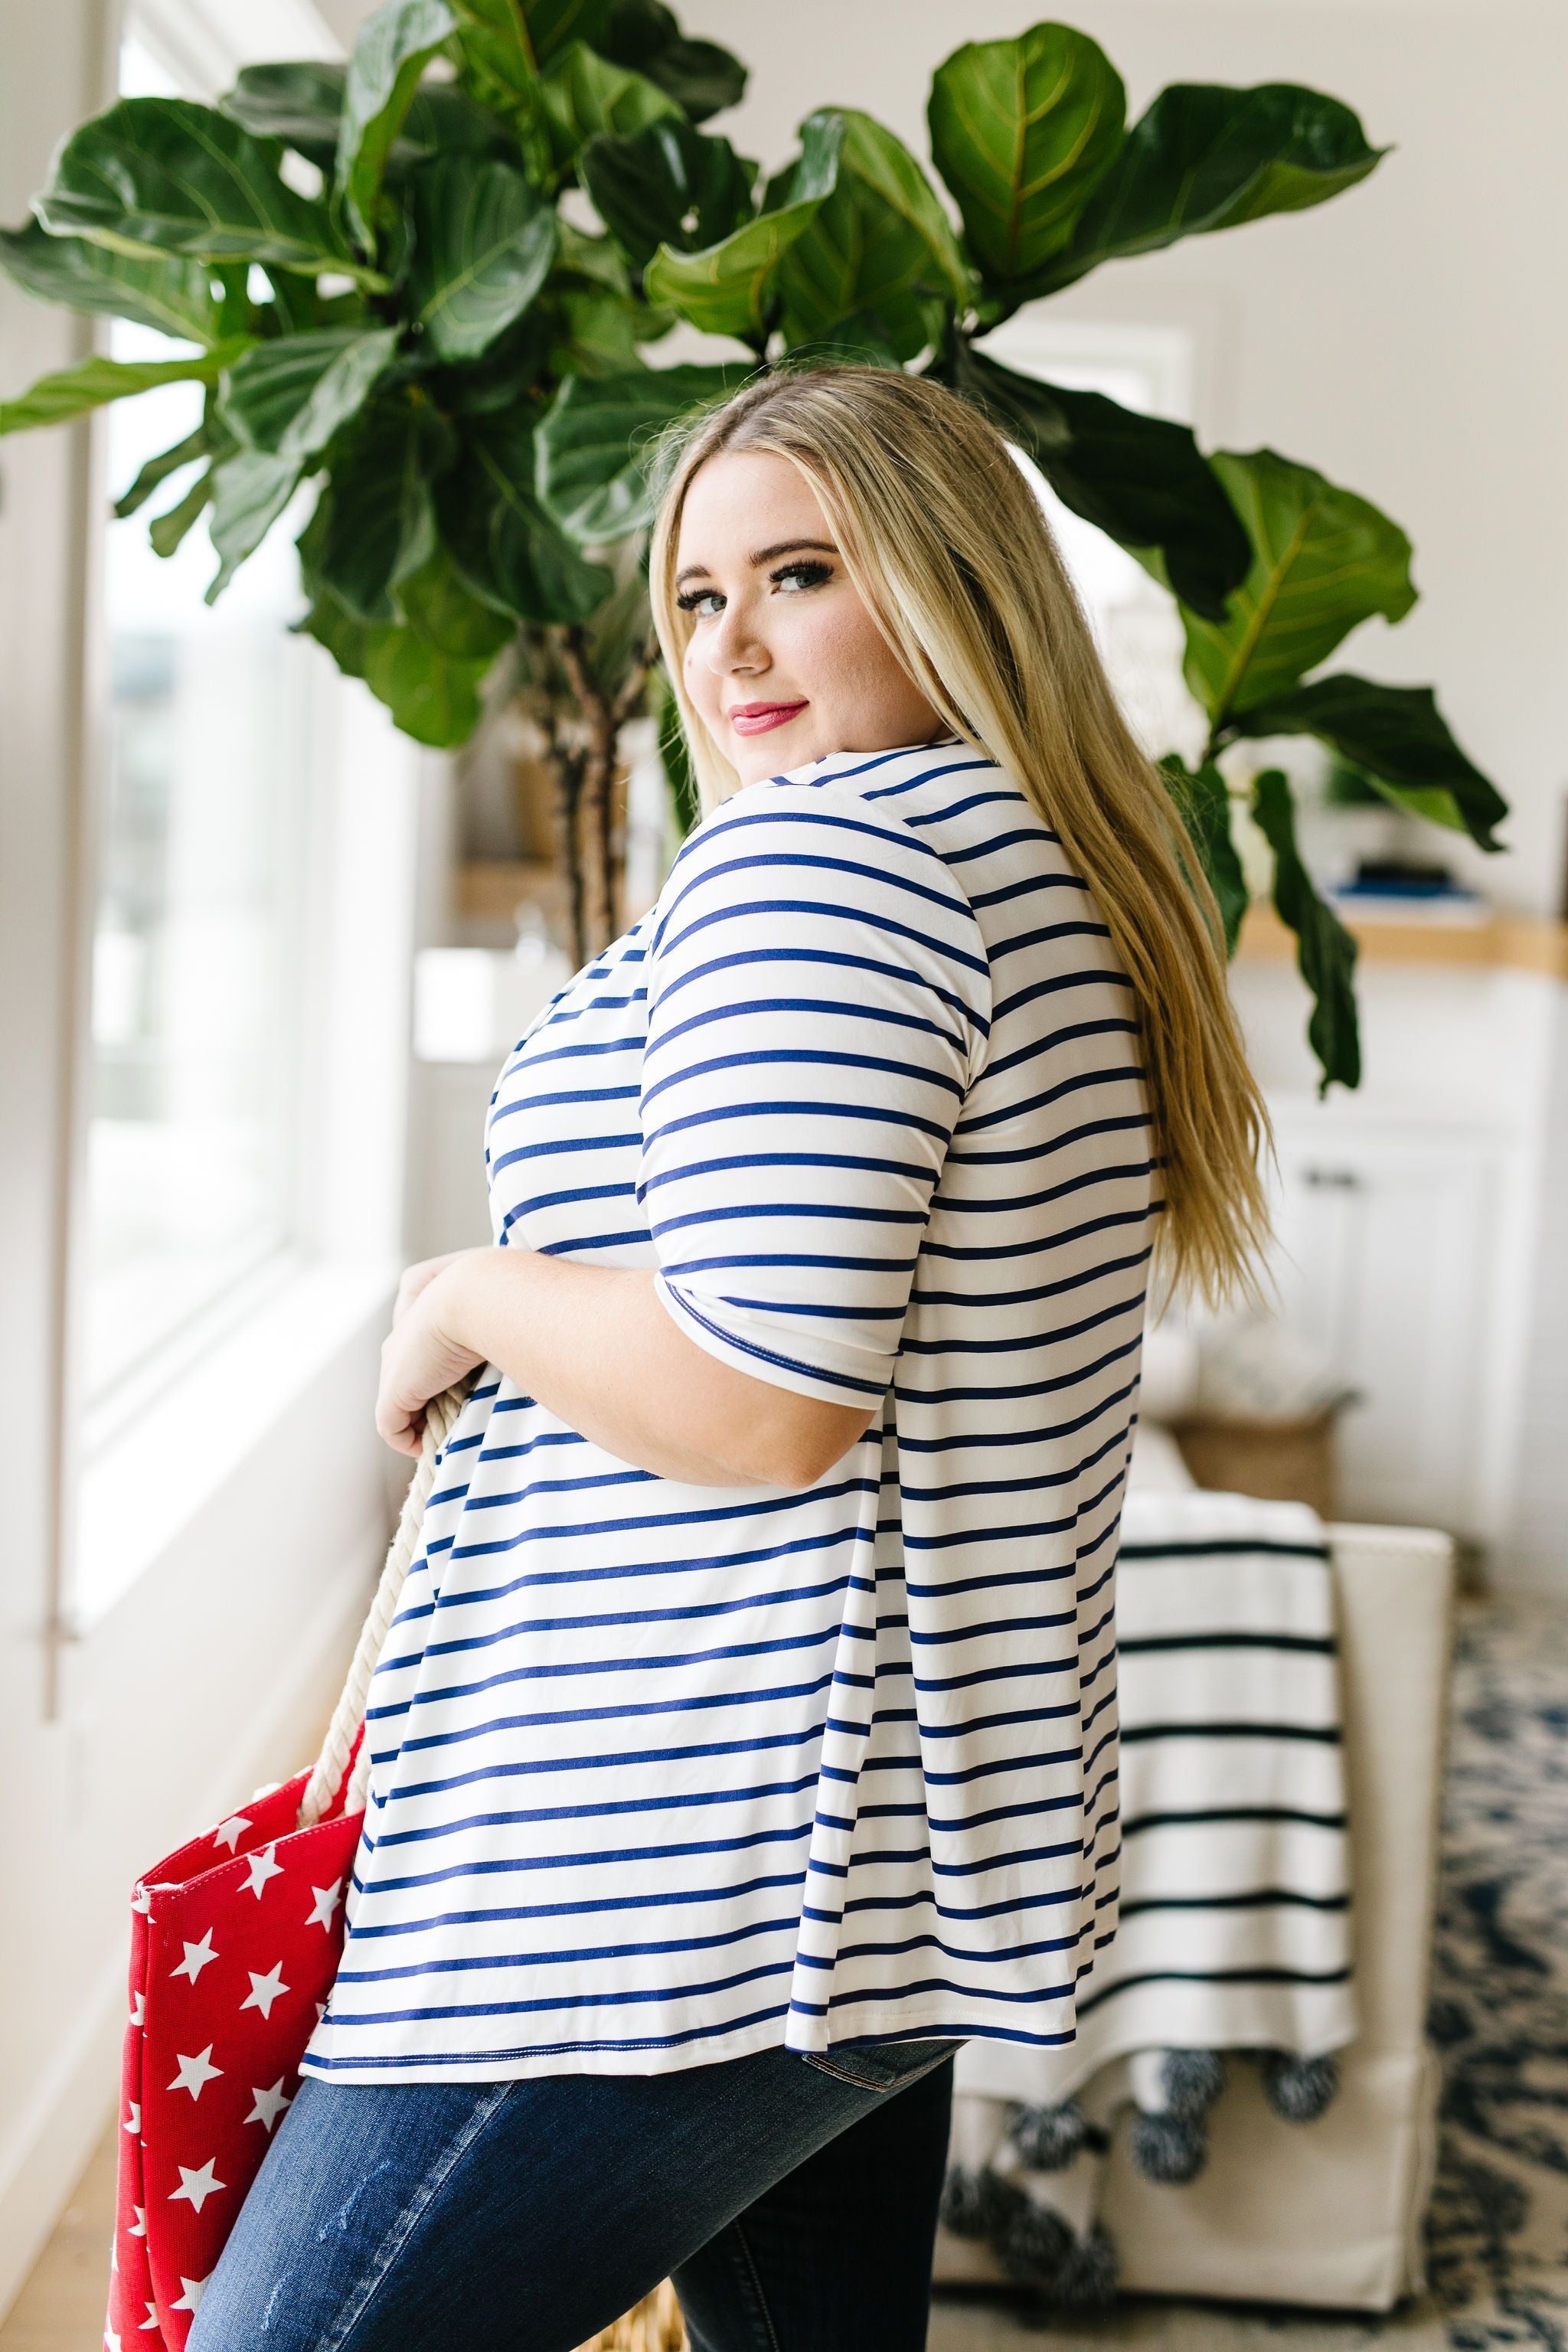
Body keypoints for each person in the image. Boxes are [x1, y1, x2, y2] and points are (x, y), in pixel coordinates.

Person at [189, 365, 1267, 2352]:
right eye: (694, 597)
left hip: (676, 1860)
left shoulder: (837, 867)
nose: (731, 646)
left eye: (799, 574)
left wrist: (456, 1293)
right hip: (876, 1874)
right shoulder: (1051, 872)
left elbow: (757, 1399)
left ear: (955, 590)